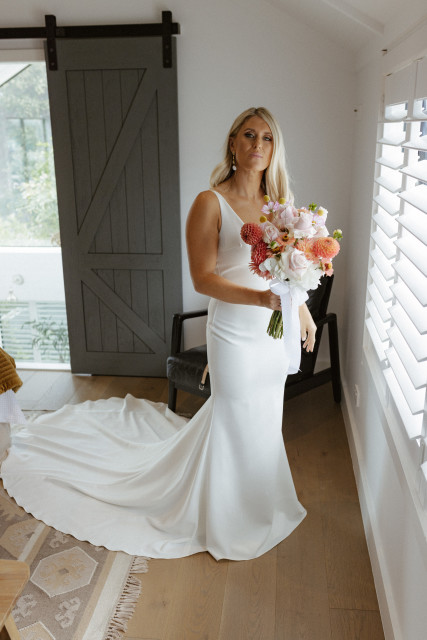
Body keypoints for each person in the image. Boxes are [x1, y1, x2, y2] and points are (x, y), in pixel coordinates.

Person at [0, 107, 313, 561]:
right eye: (249, 135)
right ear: (233, 142)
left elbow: (288, 273)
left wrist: (300, 309)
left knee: (264, 415)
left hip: (270, 332)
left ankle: (261, 504)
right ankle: (226, 518)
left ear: (274, 147)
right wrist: (261, 300)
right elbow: (203, 279)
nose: (258, 145)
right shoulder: (210, 202)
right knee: (233, 414)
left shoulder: (279, 205)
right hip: (233, 331)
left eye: (267, 138)